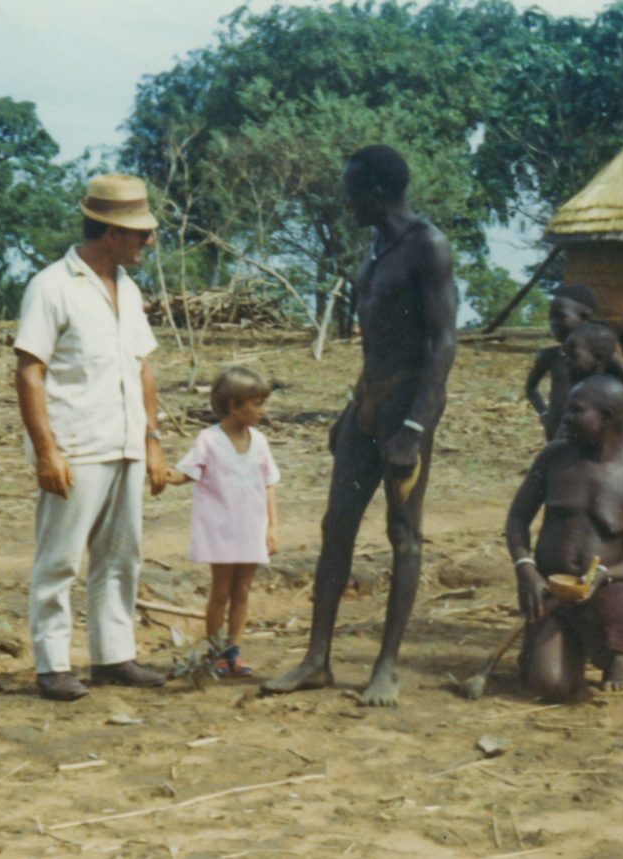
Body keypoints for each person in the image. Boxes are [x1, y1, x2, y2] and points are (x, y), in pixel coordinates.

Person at [263, 145, 457, 707]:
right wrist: (352, 411)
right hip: (367, 404)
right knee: (335, 529)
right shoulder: (375, 248)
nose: (343, 200)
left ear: (375, 190)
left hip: (406, 409)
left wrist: (415, 429)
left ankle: (386, 667)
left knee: (403, 536)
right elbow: (375, 344)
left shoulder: (428, 246)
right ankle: (316, 660)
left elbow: (443, 343)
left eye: (350, 188)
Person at [14, 173, 168, 701]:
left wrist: (151, 439)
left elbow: (143, 367)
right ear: (110, 233)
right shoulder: (52, 286)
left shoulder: (129, 289)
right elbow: (30, 370)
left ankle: (113, 656)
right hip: (76, 445)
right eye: (140, 235)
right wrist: (46, 450)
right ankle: (53, 664)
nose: (147, 242)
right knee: (59, 559)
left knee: (122, 557)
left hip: (124, 442)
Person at [506, 376, 623, 701]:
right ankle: (567, 643)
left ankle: (611, 655)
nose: (564, 417)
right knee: (549, 685)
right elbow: (517, 519)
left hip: (605, 592)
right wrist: (526, 567)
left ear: (607, 418)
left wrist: (605, 576)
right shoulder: (552, 458)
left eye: (575, 411)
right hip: (550, 589)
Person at [167, 366, 280, 677]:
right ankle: (215, 652)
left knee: (242, 590)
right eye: (256, 404)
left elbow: (269, 484)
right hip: (221, 530)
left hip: (251, 527)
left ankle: (234, 650)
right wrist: (165, 476)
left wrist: (272, 527)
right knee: (220, 591)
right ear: (233, 405)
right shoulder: (209, 439)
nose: (262, 410)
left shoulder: (260, 441)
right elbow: (187, 472)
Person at [525, 283, 598, 441]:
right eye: (551, 317)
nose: (553, 322)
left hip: (588, 431)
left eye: (560, 316)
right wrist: (544, 413)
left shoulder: (599, 357)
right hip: (555, 427)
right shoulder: (550, 356)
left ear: (584, 318)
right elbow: (530, 388)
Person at [562, 321, 623, 407]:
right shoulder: (576, 376)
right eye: (565, 354)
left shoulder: (612, 368)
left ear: (598, 357)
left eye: (573, 356)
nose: (566, 361)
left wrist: (620, 410)